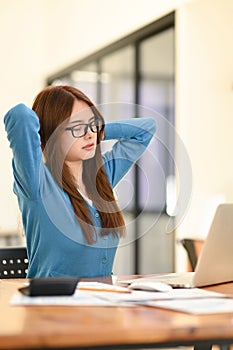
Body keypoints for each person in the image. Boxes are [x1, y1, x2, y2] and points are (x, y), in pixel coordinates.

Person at [4, 85, 156, 278]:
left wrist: (98, 130)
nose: (89, 134)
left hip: (102, 302)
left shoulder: (102, 176)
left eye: (92, 124)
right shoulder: (37, 182)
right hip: (52, 304)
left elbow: (146, 128)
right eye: (77, 127)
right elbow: (20, 116)